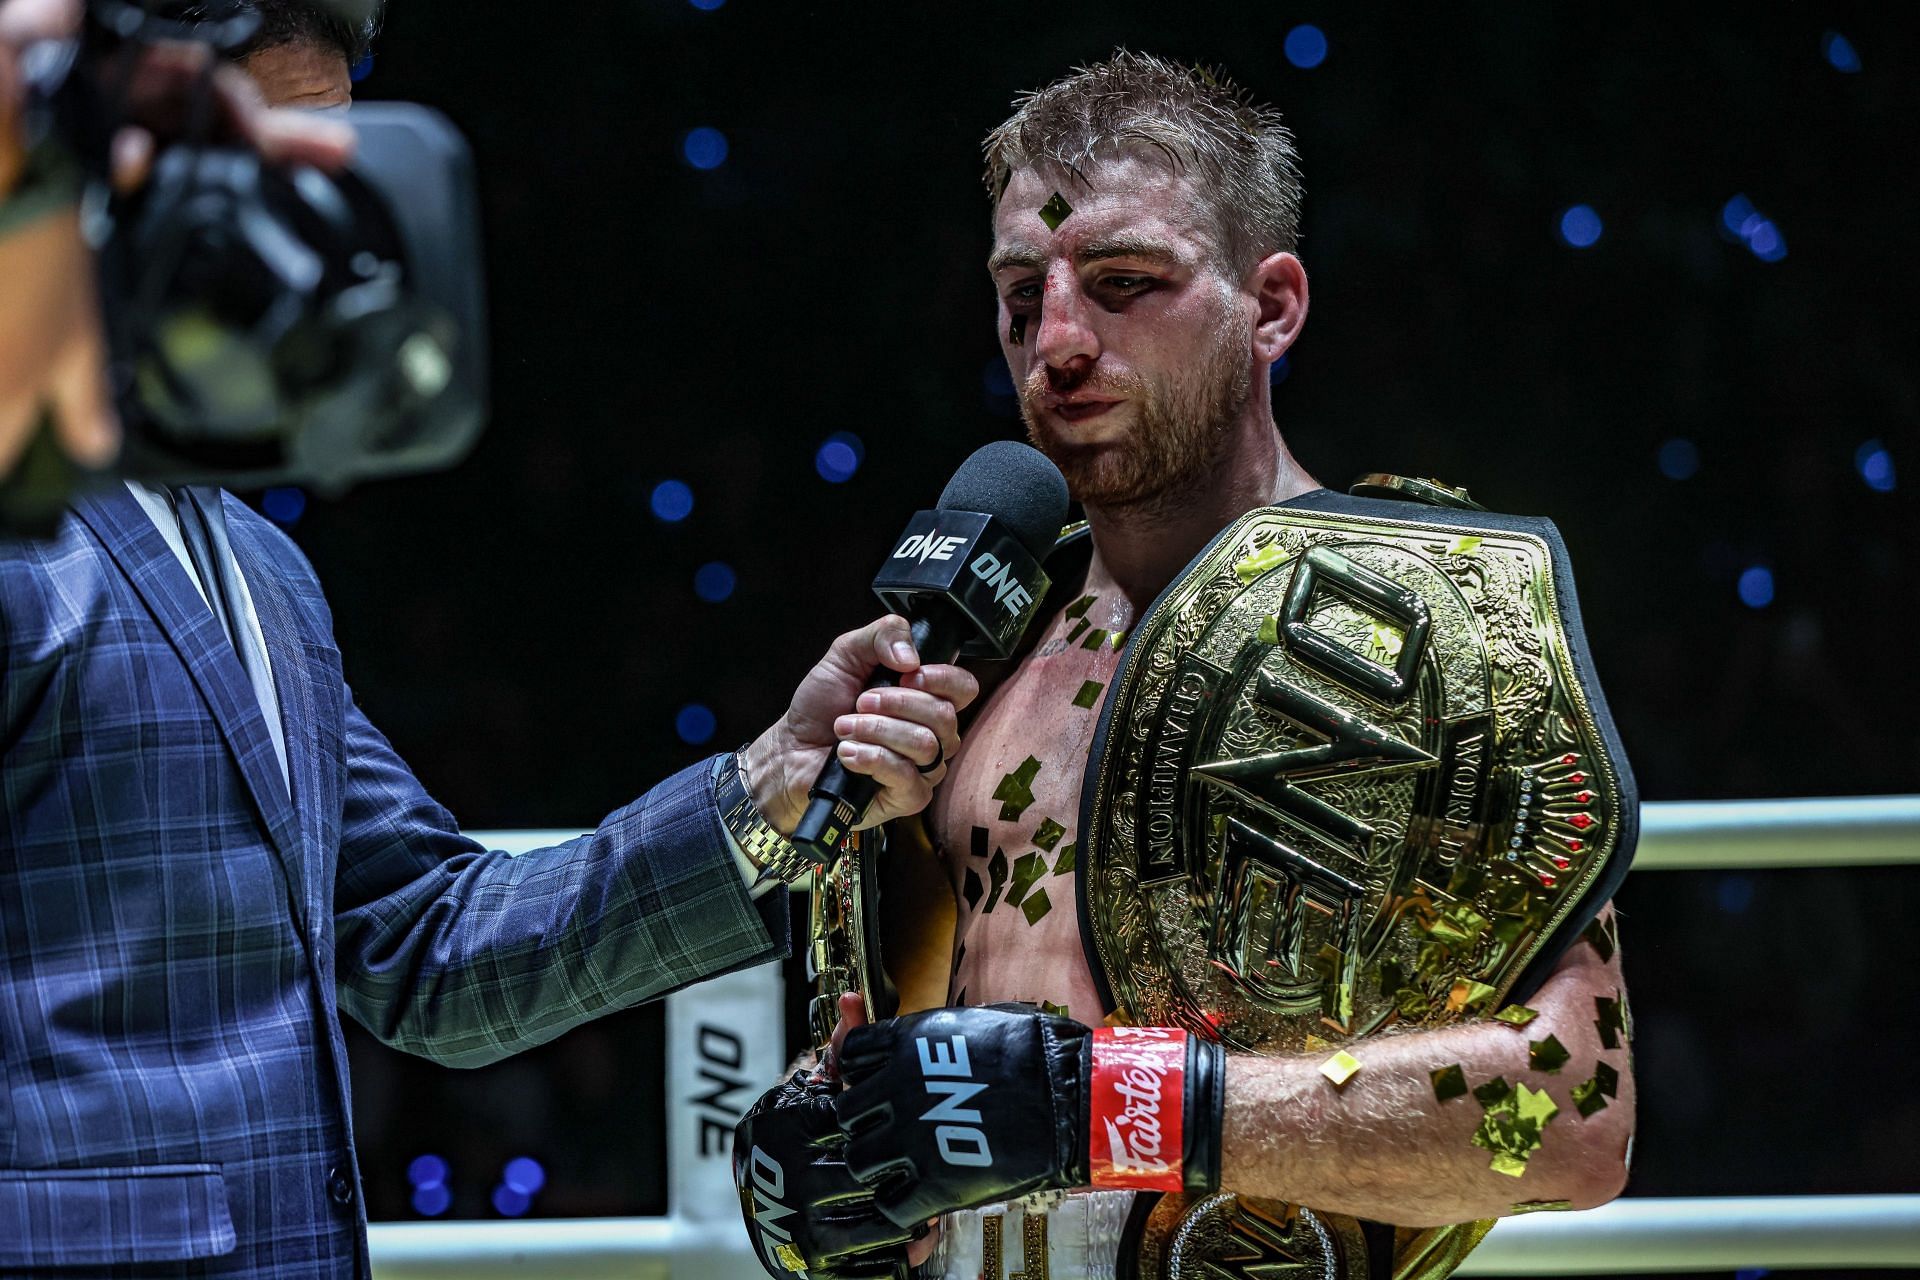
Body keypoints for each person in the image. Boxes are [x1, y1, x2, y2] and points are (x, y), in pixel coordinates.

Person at [0, 4, 978, 1275]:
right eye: (272, 162)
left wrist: (764, 787)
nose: (324, 231)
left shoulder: (260, 566)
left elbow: (430, 947)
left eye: (335, 170)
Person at [737, 52, 1635, 1280]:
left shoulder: (1430, 616)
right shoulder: (973, 645)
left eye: (1122, 284)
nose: (1054, 343)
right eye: (1019, 297)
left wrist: (1109, 1104)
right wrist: (827, 1176)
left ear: (1271, 306)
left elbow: (1574, 1116)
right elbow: (901, 1090)